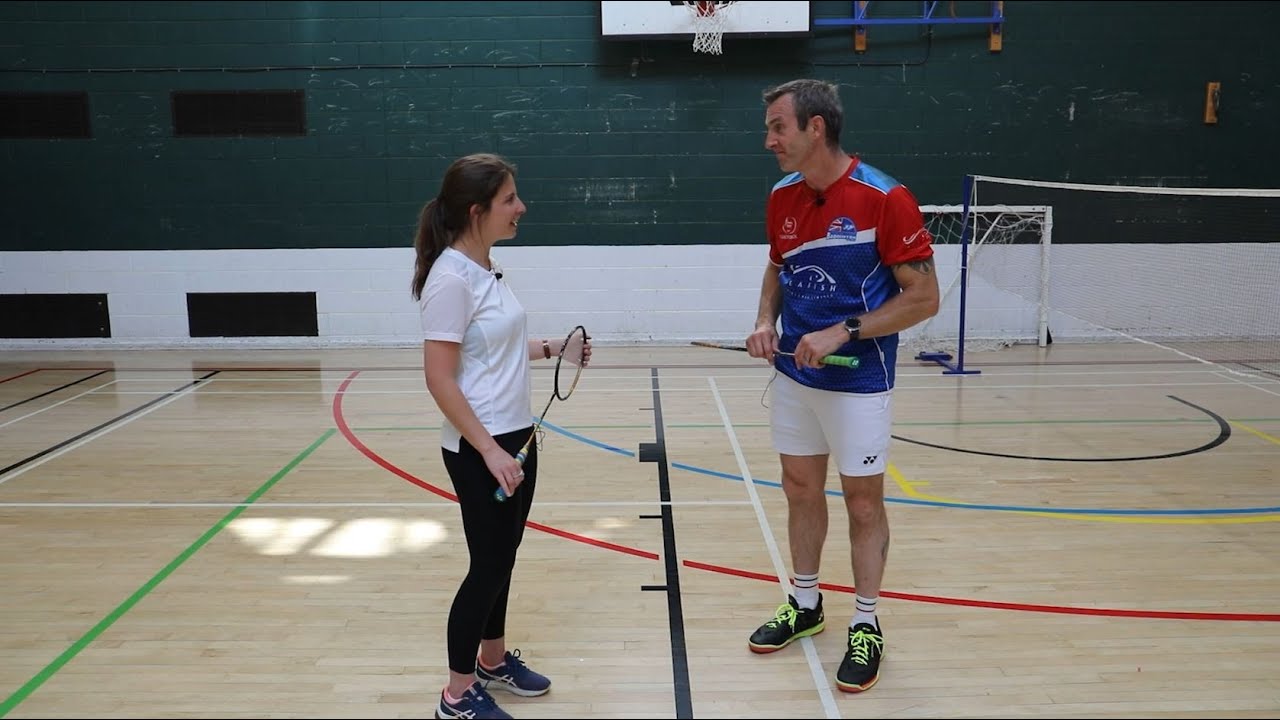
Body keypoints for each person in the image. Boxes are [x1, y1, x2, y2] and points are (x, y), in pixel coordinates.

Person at [744, 79, 940, 693]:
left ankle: (865, 622)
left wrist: (843, 331)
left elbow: (924, 298)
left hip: (859, 379)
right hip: (793, 373)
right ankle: (805, 605)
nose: (769, 139)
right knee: (800, 488)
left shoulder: (886, 198)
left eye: (778, 126)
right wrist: (763, 320)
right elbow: (779, 265)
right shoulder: (782, 196)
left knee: (861, 501)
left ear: (815, 128)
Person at [412, 152, 590, 719]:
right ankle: (456, 696)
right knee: (486, 566)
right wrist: (488, 450)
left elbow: (495, 348)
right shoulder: (450, 279)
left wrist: (555, 346)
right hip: (479, 447)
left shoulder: (485, 269)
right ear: (477, 210)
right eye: (510, 198)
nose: (521, 207)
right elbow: (439, 377)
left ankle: (491, 660)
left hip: (515, 437)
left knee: (503, 558)